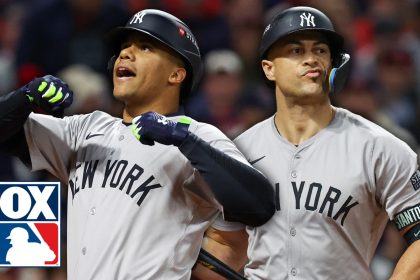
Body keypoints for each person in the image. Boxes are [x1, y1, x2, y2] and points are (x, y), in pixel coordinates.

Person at [0, 9, 275, 279]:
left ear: (176, 75)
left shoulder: (196, 135)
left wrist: (183, 140)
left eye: (144, 47)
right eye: (124, 47)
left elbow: (259, 205)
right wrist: (25, 98)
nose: (125, 53)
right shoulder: (86, 128)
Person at [201, 6, 420, 280]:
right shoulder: (239, 151)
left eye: (320, 50)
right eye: (296, 51)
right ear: (269, 69)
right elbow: (228, 244)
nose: (311, 59)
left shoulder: (378, 146)